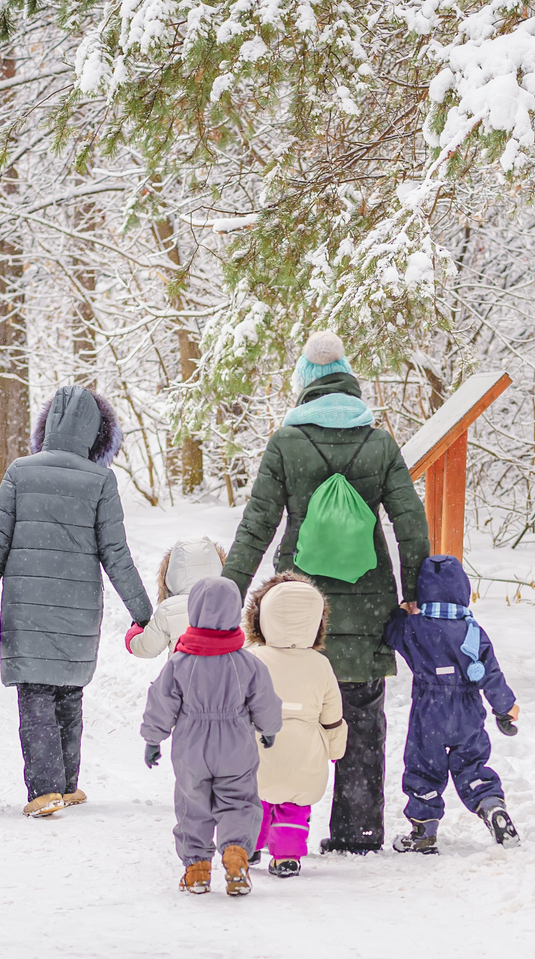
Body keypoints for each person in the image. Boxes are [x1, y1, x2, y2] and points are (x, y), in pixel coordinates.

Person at [222, 331, 429, 855]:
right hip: (368, 600)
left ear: (305, 386)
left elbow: (256, 527)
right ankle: (357, 833)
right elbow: (410, 523)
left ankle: (282, 828)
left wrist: (227, 596)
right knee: (359, 716)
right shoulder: (379, 441)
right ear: (347, 379)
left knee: (291, 715)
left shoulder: (287, 442)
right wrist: (415, 592)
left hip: (298, 609)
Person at [0, 386, 154, 818]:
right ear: (97, 435)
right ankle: (67, 784)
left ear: (47, 426)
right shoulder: (101, 480)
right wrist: (144, 614)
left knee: (35, 694)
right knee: (68, 692)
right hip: (78, 608)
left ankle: (45, 789)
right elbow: (117, 555)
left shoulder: (19, 472)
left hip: (26, 607)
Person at [141, 578, 284, 896]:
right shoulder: (247, 663)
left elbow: (161, 700)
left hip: (192, 744)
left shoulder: (180, 662)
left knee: (193, 804)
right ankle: (236, 855)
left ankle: (196, 870)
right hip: (235, 743)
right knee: (239, 800)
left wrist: (154, 738)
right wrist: (269, 729)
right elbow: (265, 699)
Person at [382, 555, 520, 853]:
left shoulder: (414, 628)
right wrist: (504, 708)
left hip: (428, 713)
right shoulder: (473, 631)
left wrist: (401, 613)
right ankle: (490, 805)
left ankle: (423, 830)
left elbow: (391, 634)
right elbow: (491, 674)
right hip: (468, 711)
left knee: (424, 768)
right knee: (471, 765)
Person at [242, 573, 347, 877]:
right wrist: (334, 747)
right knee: (294, 805)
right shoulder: (320, 664)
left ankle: (249, 844)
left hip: (261, 745)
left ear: (260, 618)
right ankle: (286, 855)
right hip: (305, 750)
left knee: (256, 798)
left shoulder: (253, 659)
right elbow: (332, 713)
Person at [125, 537, 226, 659]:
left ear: (172, 572)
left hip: (182, 676)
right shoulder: (229, 606)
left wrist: (134, 634)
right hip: (223, 677)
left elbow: (146, 648)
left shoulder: (169, 610)